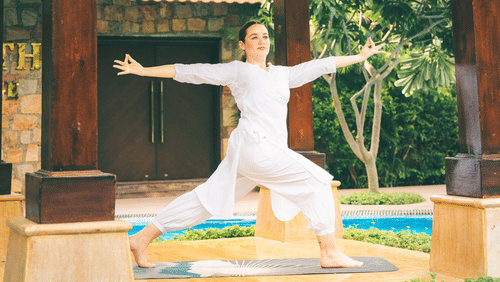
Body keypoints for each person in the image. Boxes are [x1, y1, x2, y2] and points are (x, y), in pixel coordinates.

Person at [113, 21, 384, 269]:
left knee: (207, 200)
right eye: (254, 37)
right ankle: (329, 251)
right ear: (243, 44)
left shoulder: (282, 74)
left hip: (252, 154)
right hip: (256, 147)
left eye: (265, 36)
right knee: (318, 182)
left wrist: (360, 57)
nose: (261, 41)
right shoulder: (238, 70)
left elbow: (320, 65)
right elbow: (191, 71)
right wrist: (142, 70)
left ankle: (141, 238)